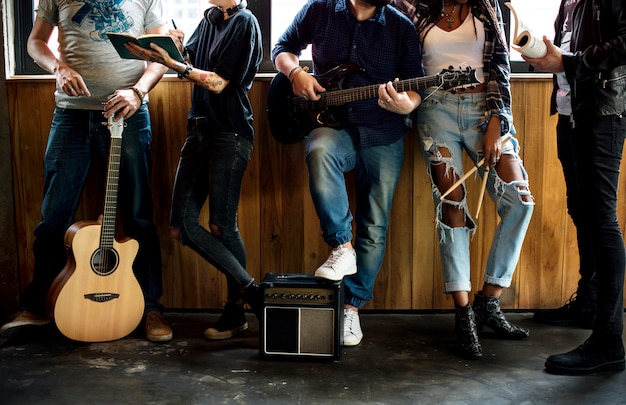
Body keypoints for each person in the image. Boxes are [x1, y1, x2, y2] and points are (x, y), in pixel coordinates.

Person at [0, 0, 172, 342]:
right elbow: (35, 42)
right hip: (71, 116)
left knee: (138, 216)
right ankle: (38, 306)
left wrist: (138, 92)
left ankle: (149, 306)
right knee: (54, 217)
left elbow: (162, 57)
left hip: (130, 114)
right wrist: (57, 67)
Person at [272, 0, 423, 347]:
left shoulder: (401, 27)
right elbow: (282, 48)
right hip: (331, 124)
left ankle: (352, 310)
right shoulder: (319, 9)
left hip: (383, 130)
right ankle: (341, 246)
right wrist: (295, 73)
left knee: (374, 224)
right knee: (320, 150)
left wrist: (408, 103)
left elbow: (416, 86)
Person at [393, 0, 534, 359]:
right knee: (452, 207)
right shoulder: (413, 8)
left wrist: (496, 121)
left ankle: (489, 300)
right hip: (435, 112)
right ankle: (463, 311)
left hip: (483, 112)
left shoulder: (491, 8)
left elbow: (501, 67)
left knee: (520, 200)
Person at [125, 0, 263, 340]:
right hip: (198, 132)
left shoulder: (244, 22)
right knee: (181, 226)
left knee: (221, 225)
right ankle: (251, 290)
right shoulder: (211, 18)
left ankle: (234, 311)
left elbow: (218, 83)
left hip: (229, 134)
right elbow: (192, 65)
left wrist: (172, 63)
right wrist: (178, 49)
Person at [523, 0, 626, 375]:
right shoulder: (570, 1)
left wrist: (566, 62)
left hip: (602, 115)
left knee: (602, 221)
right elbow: (569, 47)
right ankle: (589, 302)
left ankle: (609, 340)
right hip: (572, 114)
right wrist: (550, 56)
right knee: (581, 211)